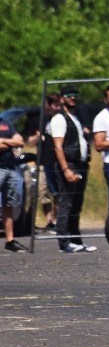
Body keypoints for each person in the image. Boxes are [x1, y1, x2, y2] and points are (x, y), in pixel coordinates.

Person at [51, 85, 96, 253]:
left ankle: (76, 240)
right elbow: (58, 146)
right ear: (62, 98)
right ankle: (64, 242)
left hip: (80, 165)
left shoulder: (74, 117)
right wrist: (66, 170)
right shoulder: (60, 119)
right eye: (69, 95)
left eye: (75, 94)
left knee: (76, 205)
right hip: (69, 165)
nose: (73, 98)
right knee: (66, 204)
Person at [24, 93, 62, 233]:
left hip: (58, 160)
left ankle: (58, 221)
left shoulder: (62, 119)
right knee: (43, 193)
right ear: (48, 105)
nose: (57, 108)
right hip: (43, 161)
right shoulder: (41, 120)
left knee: (57, 193)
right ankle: (50, 221)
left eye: (59, 105)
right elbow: (29, 141)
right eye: (54, 105)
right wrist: (39, 135)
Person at [0, 114, 28, 253]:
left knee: (8, 205)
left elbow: (20, 141)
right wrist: (10, 142)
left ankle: (10, 240)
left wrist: (4, 140)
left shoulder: (6, 124)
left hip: (10, 168)